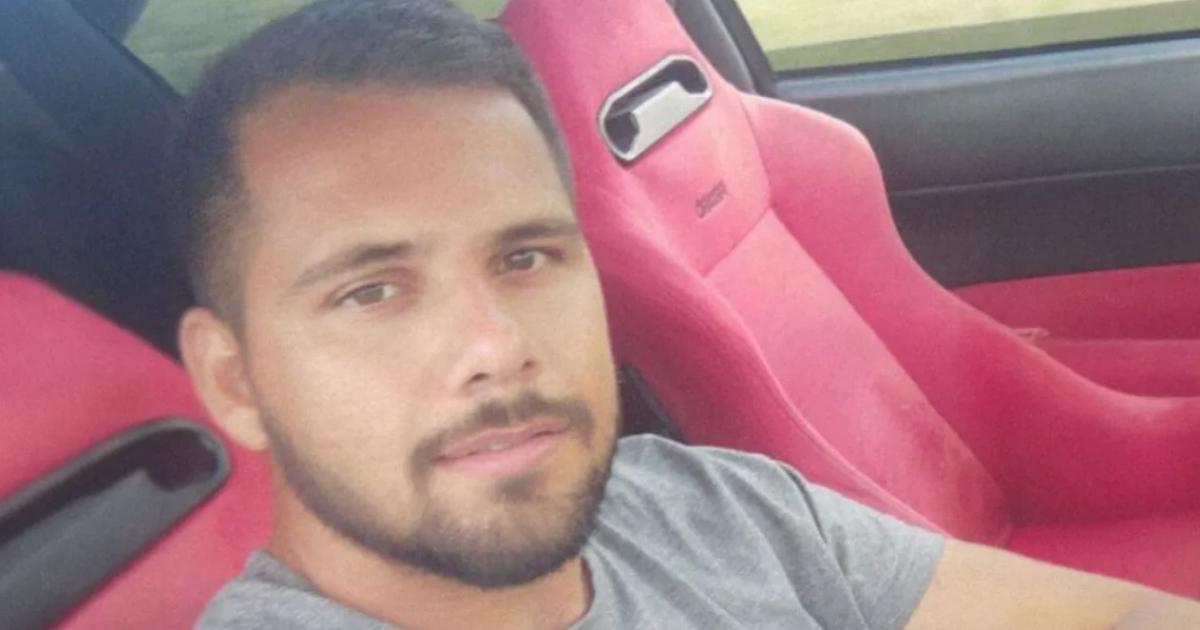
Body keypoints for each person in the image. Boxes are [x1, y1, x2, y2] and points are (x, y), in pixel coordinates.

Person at [172, 1, 1200, 628]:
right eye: (372, 291)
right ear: (234, 379)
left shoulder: (706, 507)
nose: (496, 346)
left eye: (526, 257)